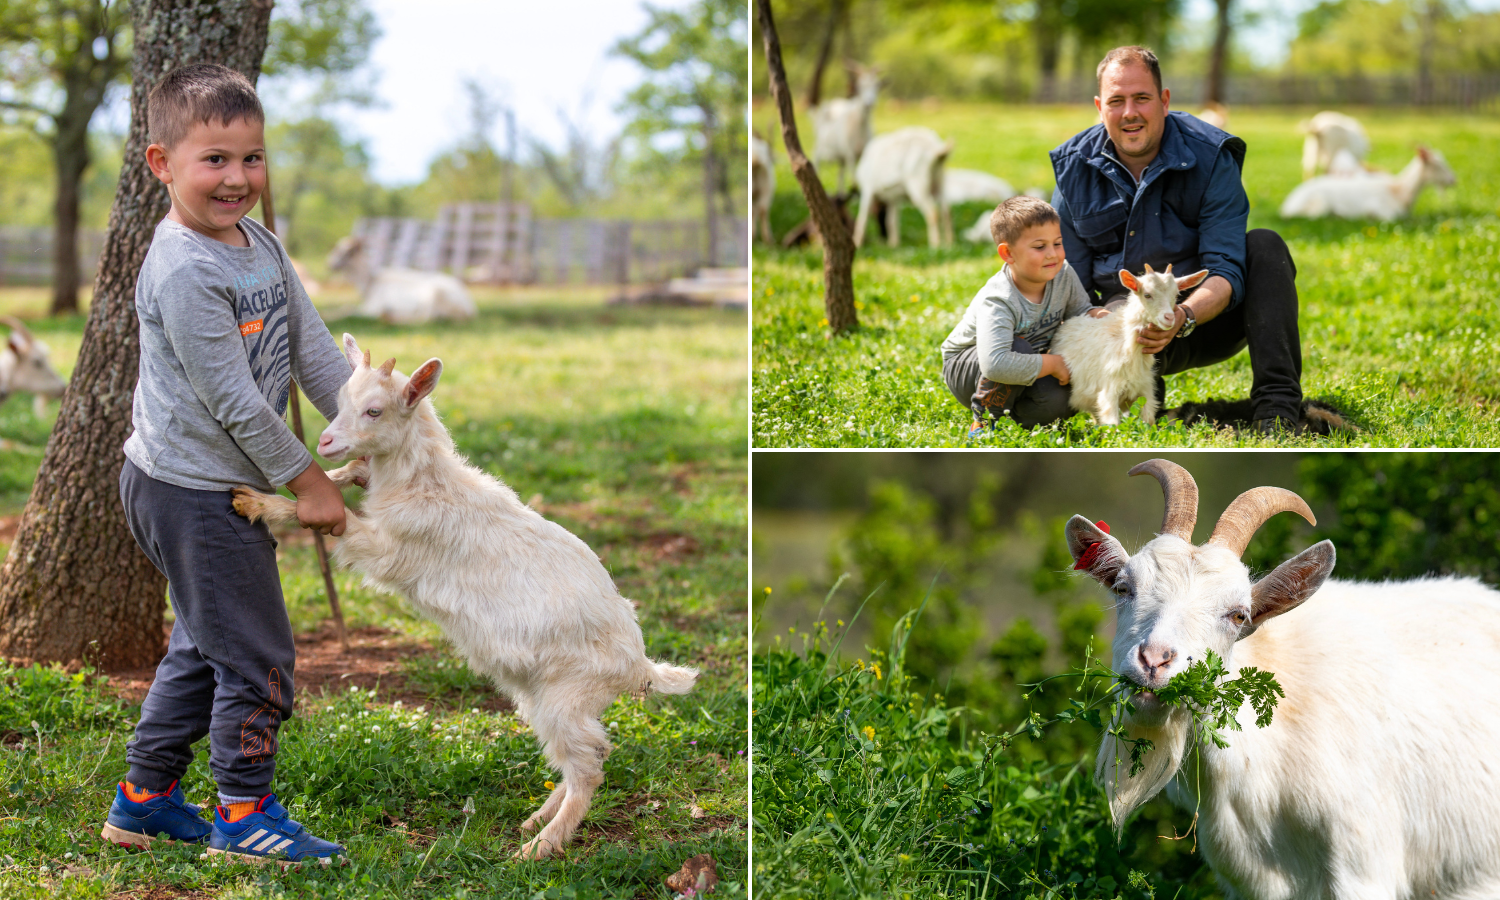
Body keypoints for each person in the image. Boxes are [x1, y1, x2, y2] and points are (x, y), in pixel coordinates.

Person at [99, 63, 349, 864]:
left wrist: (369, 427)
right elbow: (237, 406)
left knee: (206, 647)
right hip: (191, 491)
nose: (237, 178)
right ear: (162, 164)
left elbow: (310, 346)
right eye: (215, 159)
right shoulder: (183, 268)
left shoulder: (258, 241)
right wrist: (309, 482)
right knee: (255, 656)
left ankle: (144, 802)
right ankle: (243, 816)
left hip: (211, 481)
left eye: (252, 158)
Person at [1049, 46, 1304, 432]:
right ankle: (1137, 388)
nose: (1130, 112)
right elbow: (1070, 286)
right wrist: (1115, 331)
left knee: (1266, 247)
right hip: (1117, 332)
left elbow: (1225, 270)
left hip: (1198, 320)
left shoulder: (1212, 156)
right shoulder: (1072, 168)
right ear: (1100, 107)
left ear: (1164, 101)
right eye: (1117, 101)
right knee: (1045, 404)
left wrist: (1181, 317)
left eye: (1142, 98)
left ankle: (1277, 407)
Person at [940, 195, 1108, 436]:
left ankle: (1017, 416)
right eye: (1040, 247)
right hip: (970, 368)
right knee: (1017, 348)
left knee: (1060, 401)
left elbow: (1080, 312)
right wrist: (1052, 363)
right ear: (1008, 253)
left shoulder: (1064, 275)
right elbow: (995, 364)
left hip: (1023, 364)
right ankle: (986, 420)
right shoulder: (999, 299)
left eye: (1058, 243)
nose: (1053, 254)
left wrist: (1103, 316)